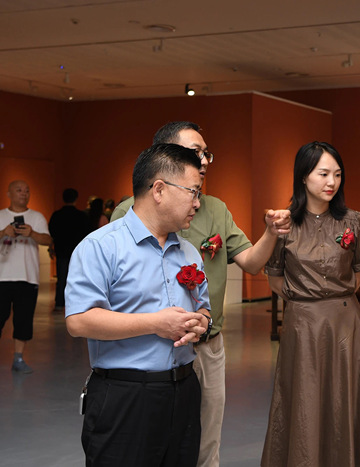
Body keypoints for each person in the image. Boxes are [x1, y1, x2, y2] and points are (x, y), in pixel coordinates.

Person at [111, 121, 291, 467]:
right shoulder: (128, 211)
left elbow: (252, 262)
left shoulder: (216, 209)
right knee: (151, 441)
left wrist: (271, 233)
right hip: (151, 345)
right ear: (164, 157)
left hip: (207, 344)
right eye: (196, 152)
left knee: (206, 440)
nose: (205, 160)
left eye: (207, 152)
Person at [65, 143, 213, 466]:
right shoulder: (101, 247)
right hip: (125, 397)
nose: (198, 203)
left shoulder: (188, 253)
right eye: (193, 192)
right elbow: (78, 320)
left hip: (184, 393)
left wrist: (203, 322)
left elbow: (203, 308)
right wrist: (155, 323)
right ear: (159, 190)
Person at [261, 141, 360, 467]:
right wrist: (308, 302)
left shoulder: (354, 221)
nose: (331, 182)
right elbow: (275, 279)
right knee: (302, 400)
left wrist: (331, 299)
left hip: (344, 323)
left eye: (337, 174)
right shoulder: (284, 224)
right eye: (323, 173)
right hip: (302, 324)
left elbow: (357, 274)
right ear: (303, 176)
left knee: (344, 400)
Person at [0, 180, 52, 374]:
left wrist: (32, 233)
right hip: (2, 277)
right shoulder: (1, 216)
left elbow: (48, 240)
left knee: (23, 320)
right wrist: (3, 233)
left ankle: (19, 359)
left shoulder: (36, 217)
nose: (24, 193)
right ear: (9, 193)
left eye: (27, 190)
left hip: (27, 278)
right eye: (19, 190)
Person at [49, 188, 90, 311]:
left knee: (61, 278)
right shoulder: (81, 216)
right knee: (77, 278)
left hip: (61, 250)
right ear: (76, 199)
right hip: (76, 250)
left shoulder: (57, 215)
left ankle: (59, 302)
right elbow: (86, 232)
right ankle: (76, 304)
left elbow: (52, 231)